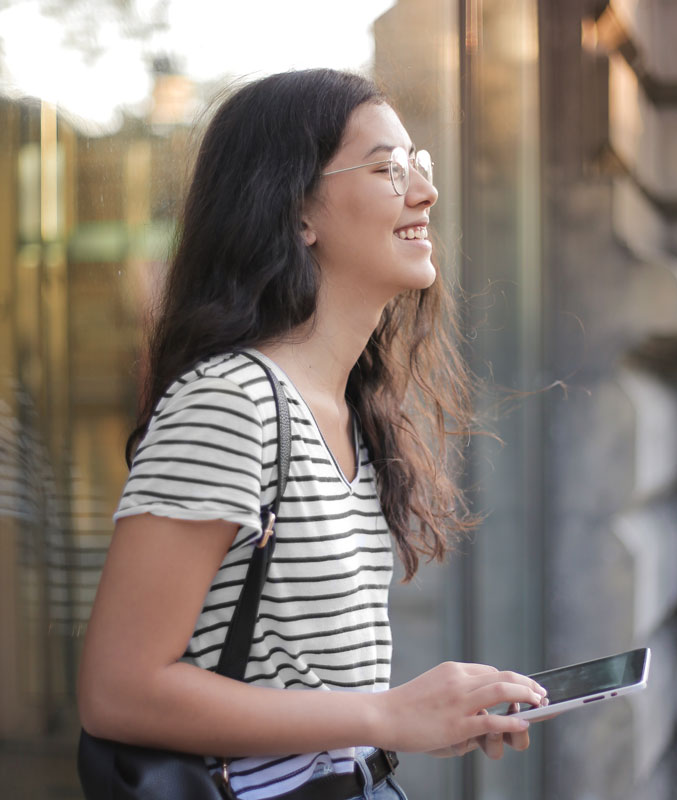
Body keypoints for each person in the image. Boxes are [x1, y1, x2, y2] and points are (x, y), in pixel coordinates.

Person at [78, 68, 547, 800]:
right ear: (298, 213)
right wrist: (386, 714)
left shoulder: (347, 407)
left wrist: (430, 718)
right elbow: (118, 690)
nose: (424, 191)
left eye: (418, 164)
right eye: (388, 168)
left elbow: (307, 689)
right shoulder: (231, 403)